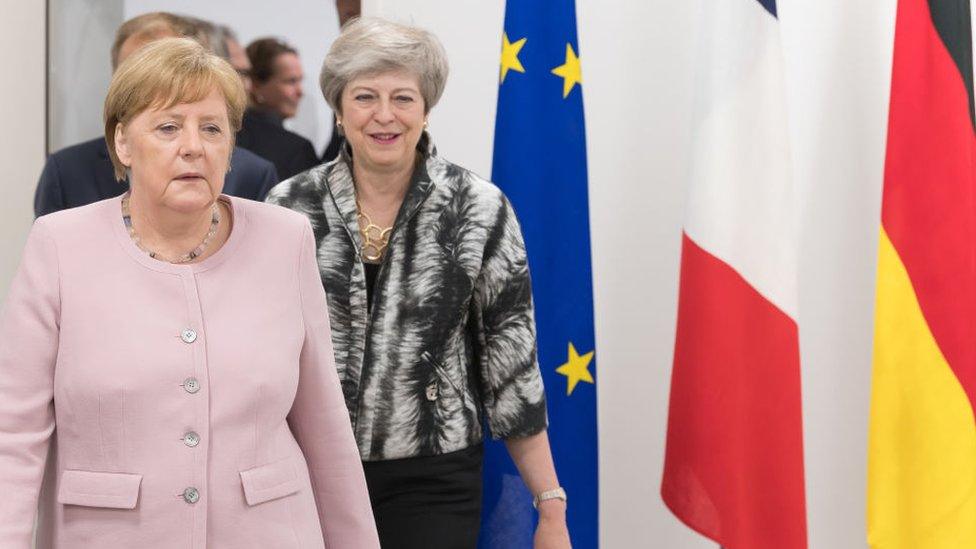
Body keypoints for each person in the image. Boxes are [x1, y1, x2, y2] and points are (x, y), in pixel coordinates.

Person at [0, 38, 380, 548]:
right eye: (168, 127)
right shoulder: (61, 244)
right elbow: (14, 433)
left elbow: (323, 422)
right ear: (123, 144)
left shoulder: (285, 239)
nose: (193, 146)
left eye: (211, 128)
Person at [266, 17, 572, 549]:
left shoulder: (478, 207)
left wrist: (550, 506)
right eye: (365, 97)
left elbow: (512, 366)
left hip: (434, 477)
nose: (385, 116)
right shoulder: (290, 206)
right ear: (339, 110)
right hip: (306, 469)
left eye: (403, 98)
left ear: (426, 109)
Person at [34, 12, 278, 218]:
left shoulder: (253, 174)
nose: (192, 147)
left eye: (170, 66)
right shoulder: (66, 170)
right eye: (135, 69)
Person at [237, 37, 319, 180]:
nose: (300, 92)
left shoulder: (224, 135)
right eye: (291, 81)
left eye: (300, 80)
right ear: (255, 85)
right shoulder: (295, 150)